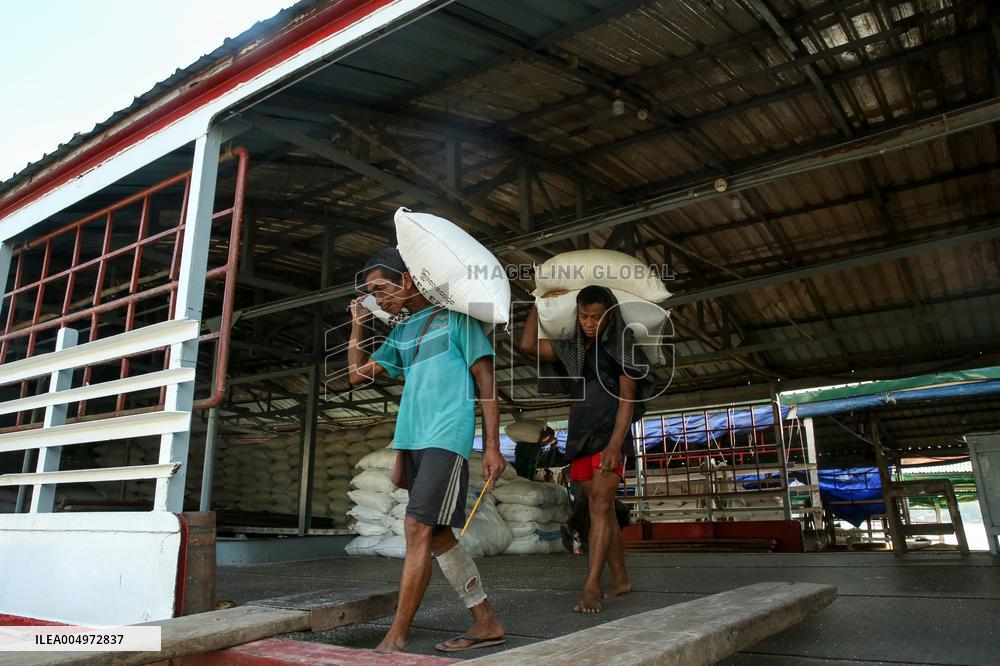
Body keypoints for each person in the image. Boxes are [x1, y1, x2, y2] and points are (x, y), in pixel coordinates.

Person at [348, 247, 507, 653]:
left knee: (416, 528)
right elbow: (356, 375)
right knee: (437, 536)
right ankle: (486, 621)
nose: (378, 299)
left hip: (446, 438)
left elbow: (486, 384)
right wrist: (358, 326)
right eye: (371, 294)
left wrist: (491, 446)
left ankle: (396, 637)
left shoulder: (457, 319)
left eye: (381, 289)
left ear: (407, 279)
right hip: (413, 441)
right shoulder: (401, 332)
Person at [519, 285, 655, 614]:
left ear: (611, 316)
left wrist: (614, 445)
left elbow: (628, 399)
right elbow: (525, 345)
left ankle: (590, 586)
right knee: (601, 512)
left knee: (599, 506)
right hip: (580, 436)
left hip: (610, 437)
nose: (589, 323)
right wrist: (539, 301)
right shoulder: (575, 350)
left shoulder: (624, 347)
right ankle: (621, 579)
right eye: (583, 316)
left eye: (597, 317)